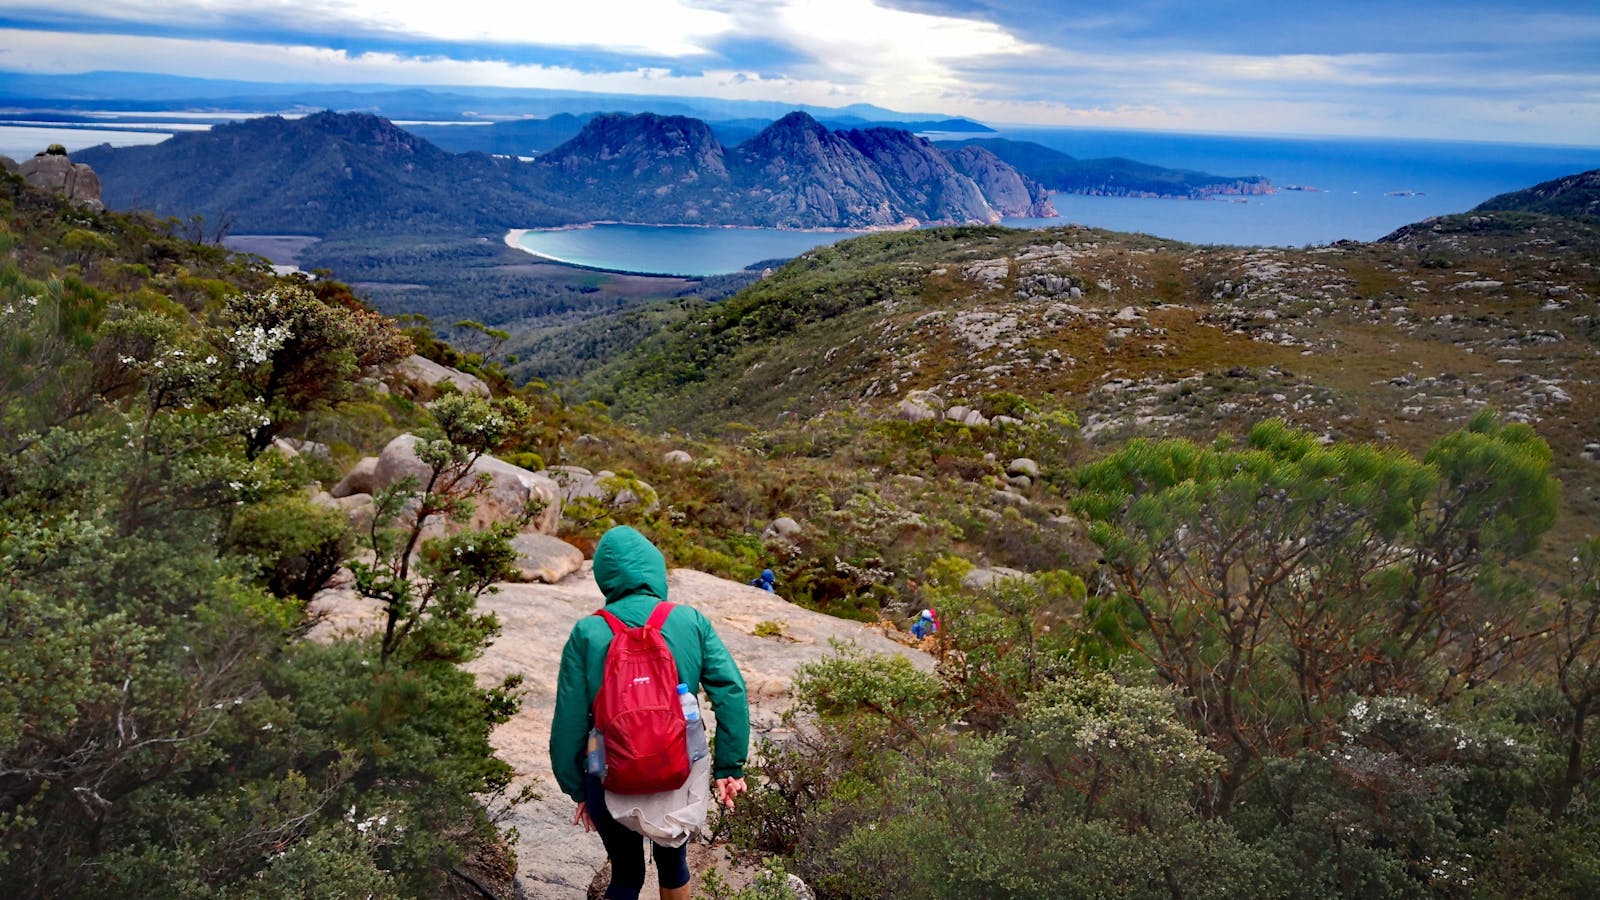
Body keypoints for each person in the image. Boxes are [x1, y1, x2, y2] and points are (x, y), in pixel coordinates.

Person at [550, 526, 750, 900]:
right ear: (655, 569)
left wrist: (578, 788)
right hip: (678, 764)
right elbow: (732, 692)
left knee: (626, 875)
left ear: (604, 576)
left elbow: (569, 723)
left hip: (607, 771)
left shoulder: (588, 632)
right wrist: (729, 767)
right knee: (674, 864)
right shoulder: (690, 620)